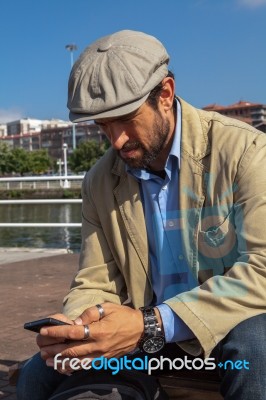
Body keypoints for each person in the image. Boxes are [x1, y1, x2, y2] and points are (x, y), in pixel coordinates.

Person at [17, 30, 266, 400]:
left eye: (125, 119)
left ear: (165, 93)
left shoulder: (246, 152)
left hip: (222, 331)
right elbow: (94, 279)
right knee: (36, 377)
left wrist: (153, 324)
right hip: (141, 341)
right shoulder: (100, 181)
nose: (116, 140)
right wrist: (80, 327)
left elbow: (261, 269)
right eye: (102, 126)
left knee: (256, 349)